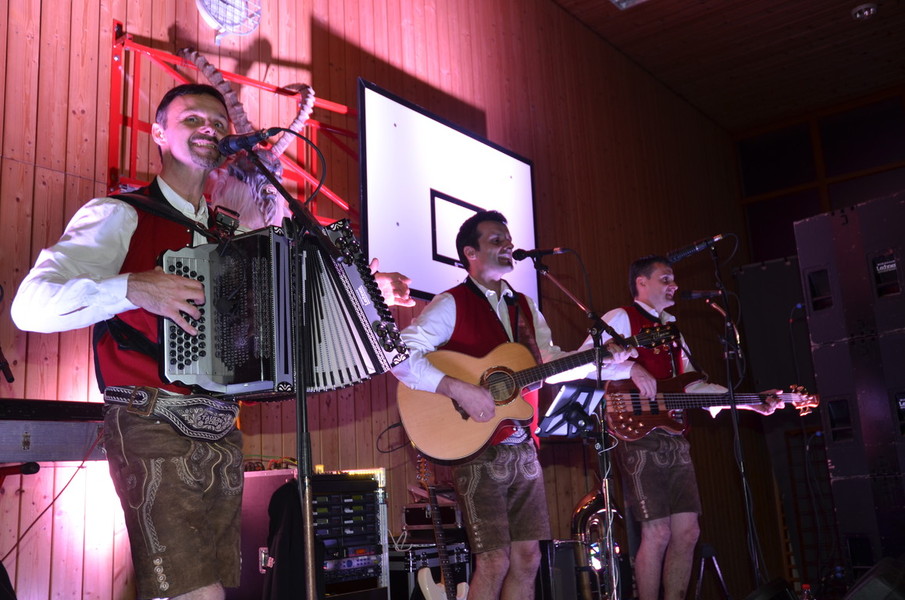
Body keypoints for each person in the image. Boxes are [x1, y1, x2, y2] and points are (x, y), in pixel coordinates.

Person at [11, 83, 412, 600]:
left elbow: (281, 318)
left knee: (209, 590)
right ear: (159, 133)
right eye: (192, 120)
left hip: (222, 431)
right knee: (197, 594)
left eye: (218, 123)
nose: (209, 129)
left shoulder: (229, 237)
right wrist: (131, 287)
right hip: (151, 420)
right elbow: (30, 305)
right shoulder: (120, 214)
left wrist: (361, 290)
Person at [392, 210, 630, 599]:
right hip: (476, 449)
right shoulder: (451, 303)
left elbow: (549, 364)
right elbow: (399, 354)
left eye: (508, 238)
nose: (508, 245)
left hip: (523, 447)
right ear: (470, 253)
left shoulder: (525, 306)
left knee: (528, 558)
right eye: (496, 240)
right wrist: (457, 388)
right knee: (493, 561)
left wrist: (599, 358)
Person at [587, 255, 782, 600]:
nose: (674, 285)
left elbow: (692, 386)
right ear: (641, 283)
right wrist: (630, 369)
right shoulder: (621, 317)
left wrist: (749, 401)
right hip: (637, 433)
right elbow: (588, 363)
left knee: (688, 532)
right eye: (665, 279)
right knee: (657, 532)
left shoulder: (672, 330)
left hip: (675, 435)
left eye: (673, 279)